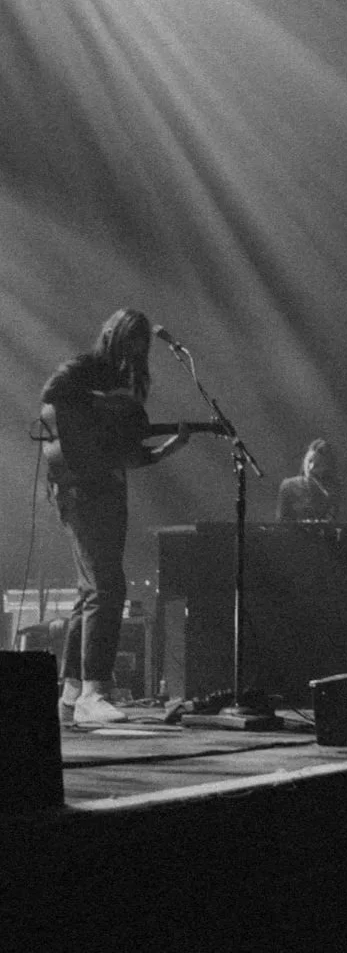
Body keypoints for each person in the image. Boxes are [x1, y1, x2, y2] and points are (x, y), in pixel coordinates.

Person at [40, 309, 191, 726]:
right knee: (108, 586)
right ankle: (95, 691)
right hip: (78, 490)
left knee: (91, 592)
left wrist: (167, 450)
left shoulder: (129, 386)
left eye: (142, 345)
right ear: (113, 336)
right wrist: (106, 401)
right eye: (131, 341)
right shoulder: (85, 370)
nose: (137, 351)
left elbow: (124, 452)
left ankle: (71, 694)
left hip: (109, 491)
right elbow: (51, 394)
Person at [276, 438, 341, 523]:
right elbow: (281, 520)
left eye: (317, 464)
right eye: (309, 461)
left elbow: (334, 519)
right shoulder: (288, 486)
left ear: (325, 467)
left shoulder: (330, 489)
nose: (311, 467)